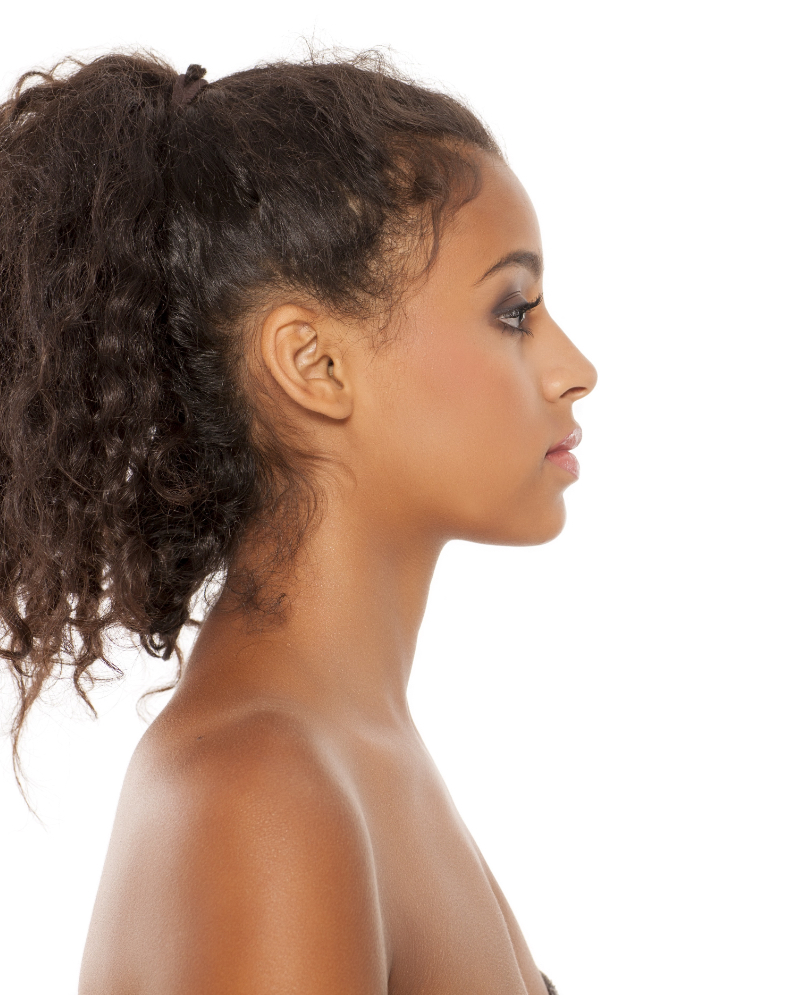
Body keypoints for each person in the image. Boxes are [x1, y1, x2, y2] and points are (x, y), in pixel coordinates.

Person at [0, 50, 596, 995]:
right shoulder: (266, 790)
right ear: (314, 365)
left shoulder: (351, 749)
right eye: (513, 311)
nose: (576, 370)